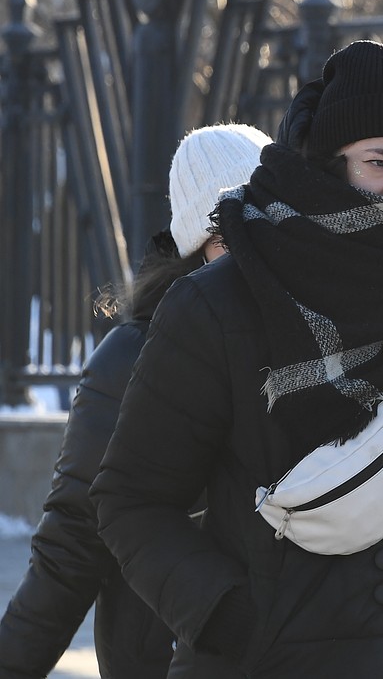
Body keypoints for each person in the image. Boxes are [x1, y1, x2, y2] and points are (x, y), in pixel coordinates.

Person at [91, 39, 383, 677]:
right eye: (379, 161)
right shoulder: (218, 304)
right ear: (327, 160)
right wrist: (230, 615)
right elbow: (131, 500)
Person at [0, 123, 272, 679]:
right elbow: (74, 539)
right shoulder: (136, 357)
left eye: (272, 226)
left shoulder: (318, 339)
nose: (258, 251)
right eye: (232, 234)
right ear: (196, 247)